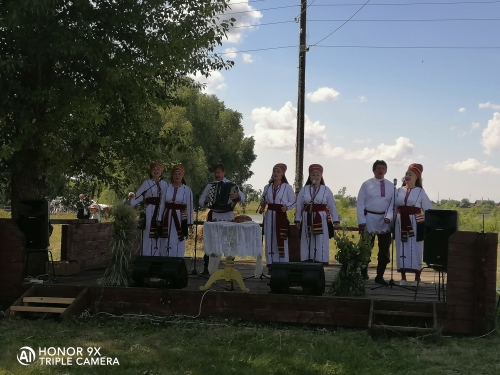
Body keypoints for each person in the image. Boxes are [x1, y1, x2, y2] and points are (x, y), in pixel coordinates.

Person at [384, 163, 433, 286]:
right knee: (401, 248)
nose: (407, 176)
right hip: (400, 222)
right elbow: (392, 207)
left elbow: (428, 209)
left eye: (410, 174)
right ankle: (403, 278)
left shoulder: (420, 192)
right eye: (406, 174)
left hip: (416, 222)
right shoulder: (398, 191)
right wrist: (388, 218)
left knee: (416, 248)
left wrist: (431, 224)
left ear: (417, 177)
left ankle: (417, 278)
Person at [199, 163, 245, 274]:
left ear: (224, 173)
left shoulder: (231, 184)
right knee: (212, 241)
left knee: (228, 241)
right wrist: (206, 200)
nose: (217, 174)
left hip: (227, 215)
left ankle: (229, 267)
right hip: (214, 215)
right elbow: (200, 201)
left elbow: (242, 197)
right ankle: (208, 268)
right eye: (215, 172)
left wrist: (237, 196)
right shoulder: (210, 185)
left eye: (219, 172)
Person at [357, 160, 394, 285]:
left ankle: (380, 276)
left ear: (386, 170)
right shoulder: (366, 184)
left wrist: (390, 218)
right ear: (374, 170)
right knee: (365, 248)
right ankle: (363, 273)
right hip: (369, 219)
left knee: (384, 250)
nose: (381, 170)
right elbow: (360, 203)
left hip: (385, 221)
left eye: (383, 168)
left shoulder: (391, 186)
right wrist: (361, 221)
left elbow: (393, 204)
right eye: (378, 168)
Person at [294, 164, 340, 264]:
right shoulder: (304, 190)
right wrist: (297, 219)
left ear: (321, 176)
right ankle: (307, 259)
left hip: (321, 217)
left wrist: (335, 219)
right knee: (307, 237)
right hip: (307, 217)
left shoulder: (326, 190)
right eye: (313, 175)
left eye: (317, 175)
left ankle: (320, 259)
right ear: (310, 177)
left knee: (320, 238)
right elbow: (299, 205)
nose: (315, 177)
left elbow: (332, 205)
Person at [258, 163, 296, 266]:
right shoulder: (267, 187)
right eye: (274, 171)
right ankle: (270, 262)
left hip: (281, 215)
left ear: (283, 173)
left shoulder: (287, 187)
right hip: (269, 214)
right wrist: (262, 203)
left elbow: (293, 201)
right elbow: (263, 199)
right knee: (269, 237)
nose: (275, 173)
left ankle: (282, 263)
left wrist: (287, 207)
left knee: (281, 237)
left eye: (278, 171)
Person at [130, 162, 169, 256]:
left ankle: (159, 254)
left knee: (159, 231)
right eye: (154, 169)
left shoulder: (164, 183)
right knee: (148, 231)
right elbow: (139, 196)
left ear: (161, 172)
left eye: (158, 169)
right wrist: (130, 204)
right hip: (150, 209)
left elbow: (168, 197)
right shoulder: (146, 183)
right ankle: (147, 254)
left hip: (161, 210)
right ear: (151, 171)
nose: (156, 171)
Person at [157, 165, 194, 257]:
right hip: (168, 215)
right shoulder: (167, 188)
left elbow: (189, 206)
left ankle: (177, 258)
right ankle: (165, 258)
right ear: (172, 176)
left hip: (180, 216)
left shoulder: (187, 190)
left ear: (182, 176)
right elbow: (162, 204)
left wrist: (190, 222)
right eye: (175, 174)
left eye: (179, 174)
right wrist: (159, 218)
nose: (177, 176)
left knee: (178, 238)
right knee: (166, 237)